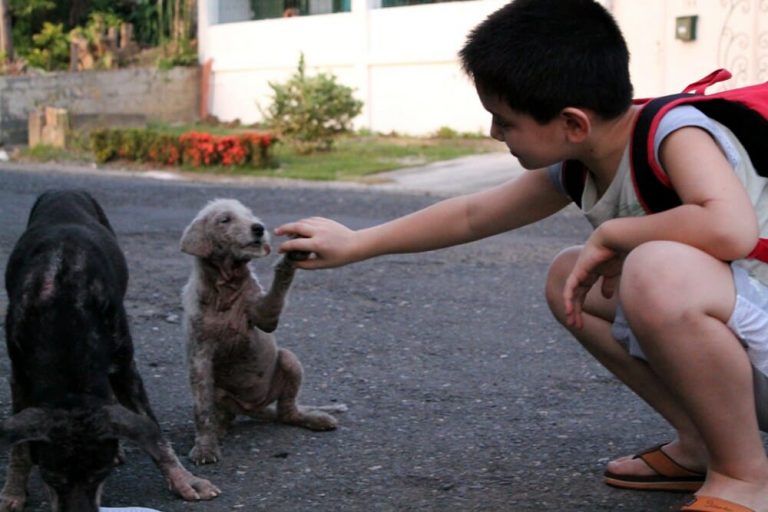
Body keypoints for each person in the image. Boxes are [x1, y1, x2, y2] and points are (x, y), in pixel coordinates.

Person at [275, 0, 768, 510]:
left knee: (651, 269)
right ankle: (703, 444)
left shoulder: (676, 134)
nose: (494, 133)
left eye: (504, 121)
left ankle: (743, 477)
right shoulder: (581, 160)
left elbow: (730, 229)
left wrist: (616, 235)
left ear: (573, 123)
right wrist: (358, 242)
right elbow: (472, 214)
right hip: (748, 347)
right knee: (566, 277)